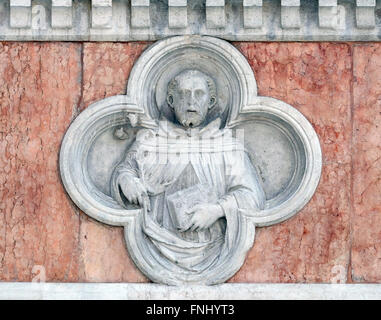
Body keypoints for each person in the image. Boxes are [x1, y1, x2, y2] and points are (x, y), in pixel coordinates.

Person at [111, 69, 265, 275]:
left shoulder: (228, 146)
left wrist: (216, 210)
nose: (191, 101)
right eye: (183, 94)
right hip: (156, 240)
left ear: (210, 102)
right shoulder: (150, 140)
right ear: (171, 100)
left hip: (211, 246)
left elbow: (251, 195)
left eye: (198, 94)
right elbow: (126, 169)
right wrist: (126, 180)